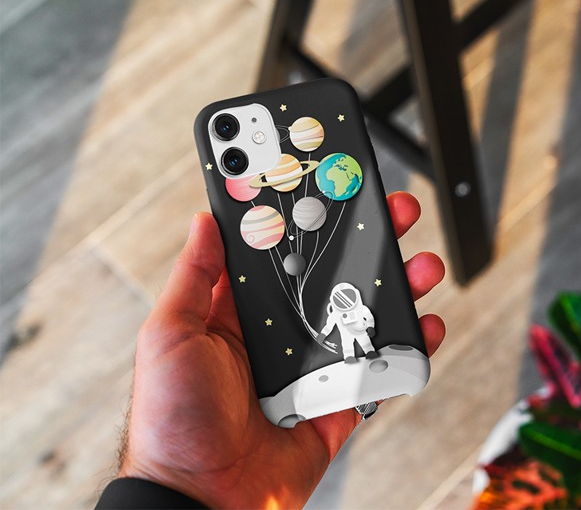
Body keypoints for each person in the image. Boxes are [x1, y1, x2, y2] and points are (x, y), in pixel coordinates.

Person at [95, 192, 446, 509]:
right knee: (357, 340)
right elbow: (330, 325)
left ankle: (361, 355)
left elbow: (361, 317)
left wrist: (171, 479)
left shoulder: (351, 307)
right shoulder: (338, 310)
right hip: (336, 348)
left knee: (366, 339)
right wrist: (172, 479)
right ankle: (357, 356)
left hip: (352, 344)